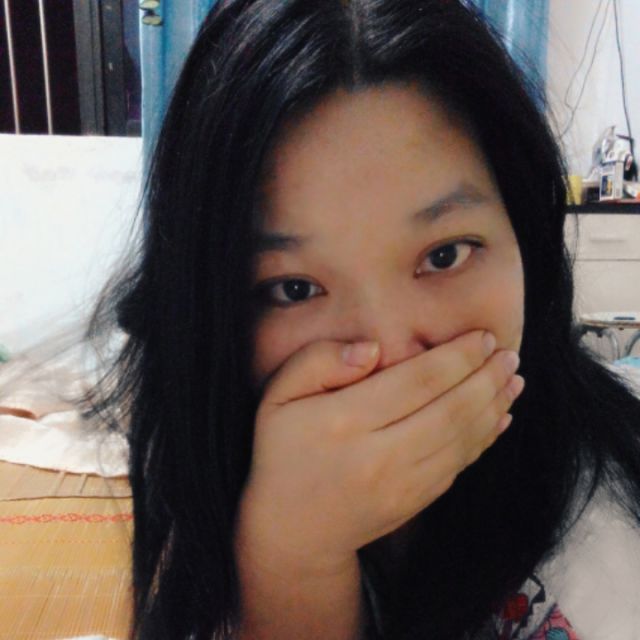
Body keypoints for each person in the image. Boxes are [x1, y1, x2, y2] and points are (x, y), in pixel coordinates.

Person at [81, 0, 640, 638]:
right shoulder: (208, 474)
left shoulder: (609, 545)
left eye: (445, 255)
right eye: (295, 288)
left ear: (526, 241)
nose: (392, 354)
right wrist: (290, 559)